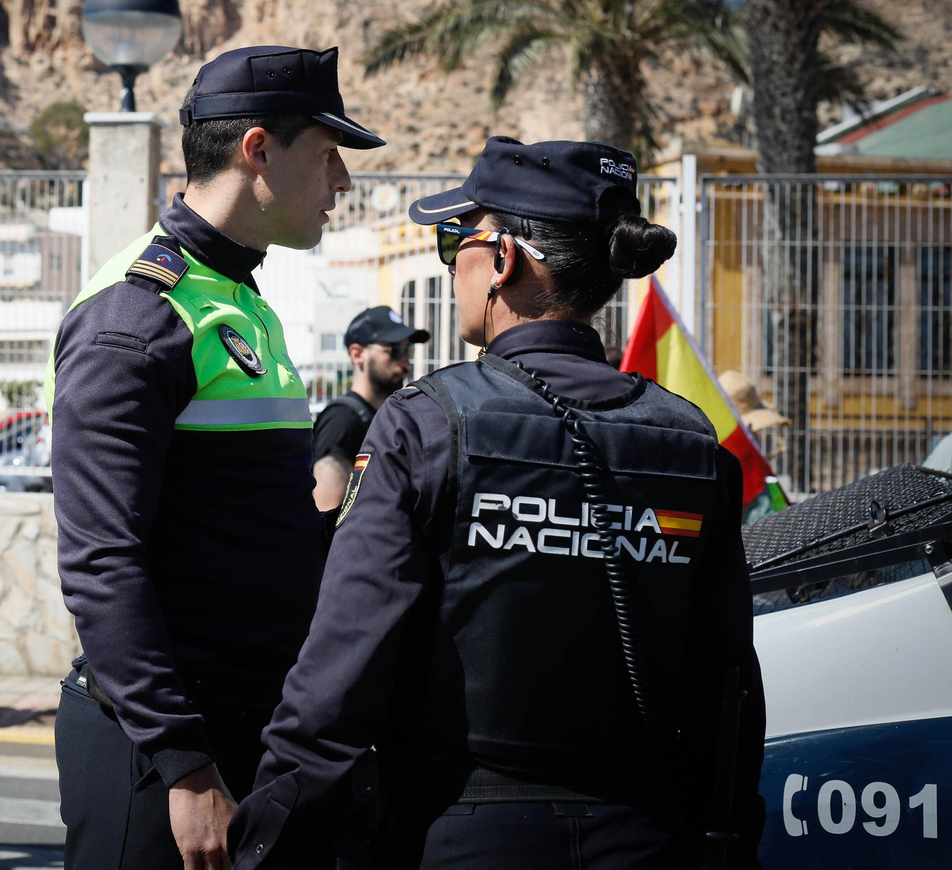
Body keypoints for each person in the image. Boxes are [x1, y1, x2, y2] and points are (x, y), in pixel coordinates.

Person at [228, 137, 767, 869]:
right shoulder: (692, 443)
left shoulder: (425, 423)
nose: (451, 263)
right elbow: (727, 684)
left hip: (455, 835)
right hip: (645, 837)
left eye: (458, 239)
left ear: (505, 260)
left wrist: (268, 839)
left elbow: (341, 672)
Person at [47, 45, 382, 870]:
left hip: (245, 722)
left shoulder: (238, 296)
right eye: (328, 155)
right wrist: (185, 764)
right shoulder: (138, 317)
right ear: (257, 149)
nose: (342, 183)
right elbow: (101, 559)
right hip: (164, 749)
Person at [310, 306, 427, 511]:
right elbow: (326, 511)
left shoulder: (387, 415)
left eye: (408, 350)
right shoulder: (343, 421)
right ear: (357, 355)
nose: (405, 363)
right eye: (395, 351)